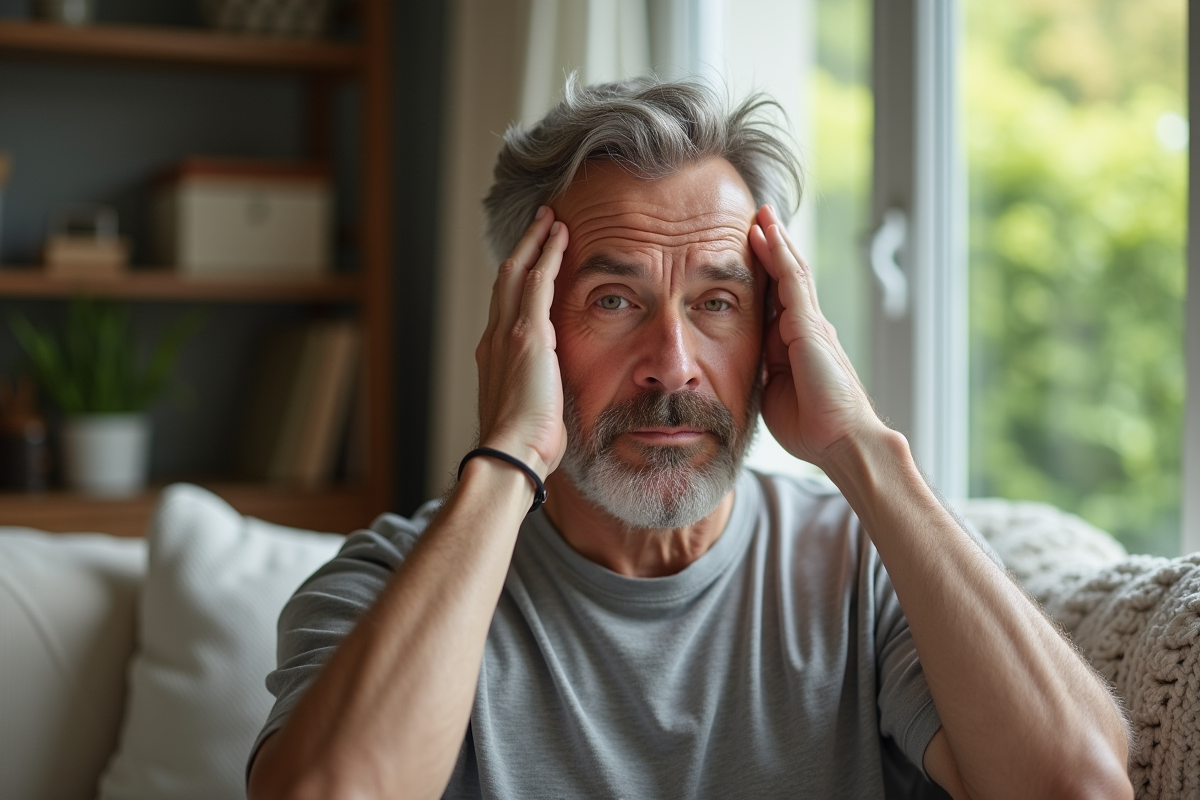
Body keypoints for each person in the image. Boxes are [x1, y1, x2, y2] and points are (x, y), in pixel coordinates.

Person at [246, 77, 1133, 800]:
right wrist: (509, 453)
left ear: (776, 330)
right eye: (614, 300)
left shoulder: (868, 570)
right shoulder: (390, 585)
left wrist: (860, 446)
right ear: (525, 328)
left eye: (718, 303)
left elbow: (1079, 787)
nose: (672, 366)